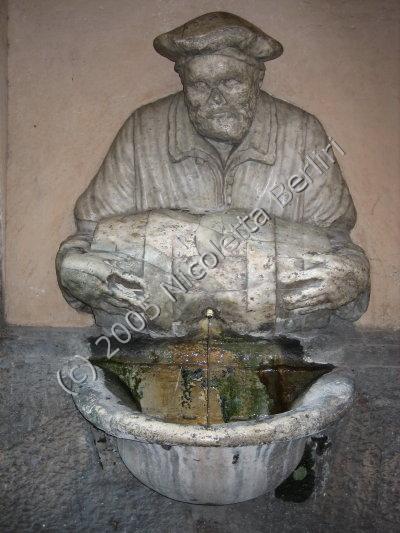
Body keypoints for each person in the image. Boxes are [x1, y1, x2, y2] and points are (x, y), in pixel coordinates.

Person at [57, 12, 369, 323]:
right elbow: (88, 238)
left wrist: (351, 277)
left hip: (284, 346)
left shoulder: (301, 134)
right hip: (154, 342)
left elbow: (339, 244)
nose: (216, 99)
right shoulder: (143, 130)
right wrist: (74, 270)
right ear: (184, 81)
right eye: (200, 85)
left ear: (257, 79)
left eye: (231, 82)